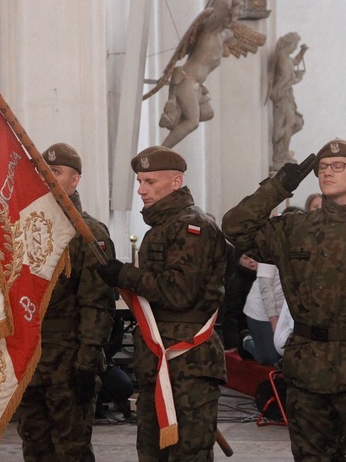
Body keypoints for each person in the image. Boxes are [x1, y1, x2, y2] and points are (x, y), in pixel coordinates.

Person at [222, 138, 346, 460]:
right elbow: (235, 226)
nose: (328, 172)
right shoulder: (295, 228)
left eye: (338, 166)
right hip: (307, 371)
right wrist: (279, 186)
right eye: (322, 168)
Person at [96, 146, 227, 460]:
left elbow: (180, 292)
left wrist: (126, 275)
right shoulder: (162, 227)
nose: (141, 190)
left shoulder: (192, 227)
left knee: (187, 453)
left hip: (187, 361)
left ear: (176, 181)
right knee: (152, 452)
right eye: (140, 181)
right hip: (157, 359)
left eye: (150, 182)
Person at [15, 143, 116, 462]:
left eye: (56, 172)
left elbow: (97, 304)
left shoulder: (88, 233)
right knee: (34, 447)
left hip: (68, 358)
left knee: (70, 449)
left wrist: (87, 361)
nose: (47, 177)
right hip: (31, 356)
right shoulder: (26, 228)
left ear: (75, 181)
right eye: (44, 171)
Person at [145, 0, 264, 149]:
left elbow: (244, 35)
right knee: (192, 122)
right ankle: (160, 151)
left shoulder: (223, 35)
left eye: (237, 15)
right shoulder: (209, 30)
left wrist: (251, 32)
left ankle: (177, 121)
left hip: (197, 85)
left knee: (207, 113)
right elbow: (223, 3)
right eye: (232, 15)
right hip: (185, 79)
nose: (234, 19)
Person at [269, 32, 308, 169]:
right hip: (282, 96)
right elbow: (287, 81)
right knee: (291, 122)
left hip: (287, 95)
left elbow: (295, 61)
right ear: (289, 44)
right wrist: (299, 78)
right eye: (295, 45)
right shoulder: (283, 60)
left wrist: (303, 52)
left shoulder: (285, 57)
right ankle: (281, 154)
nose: (295, 48)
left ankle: (282, 150)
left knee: (296, 122)